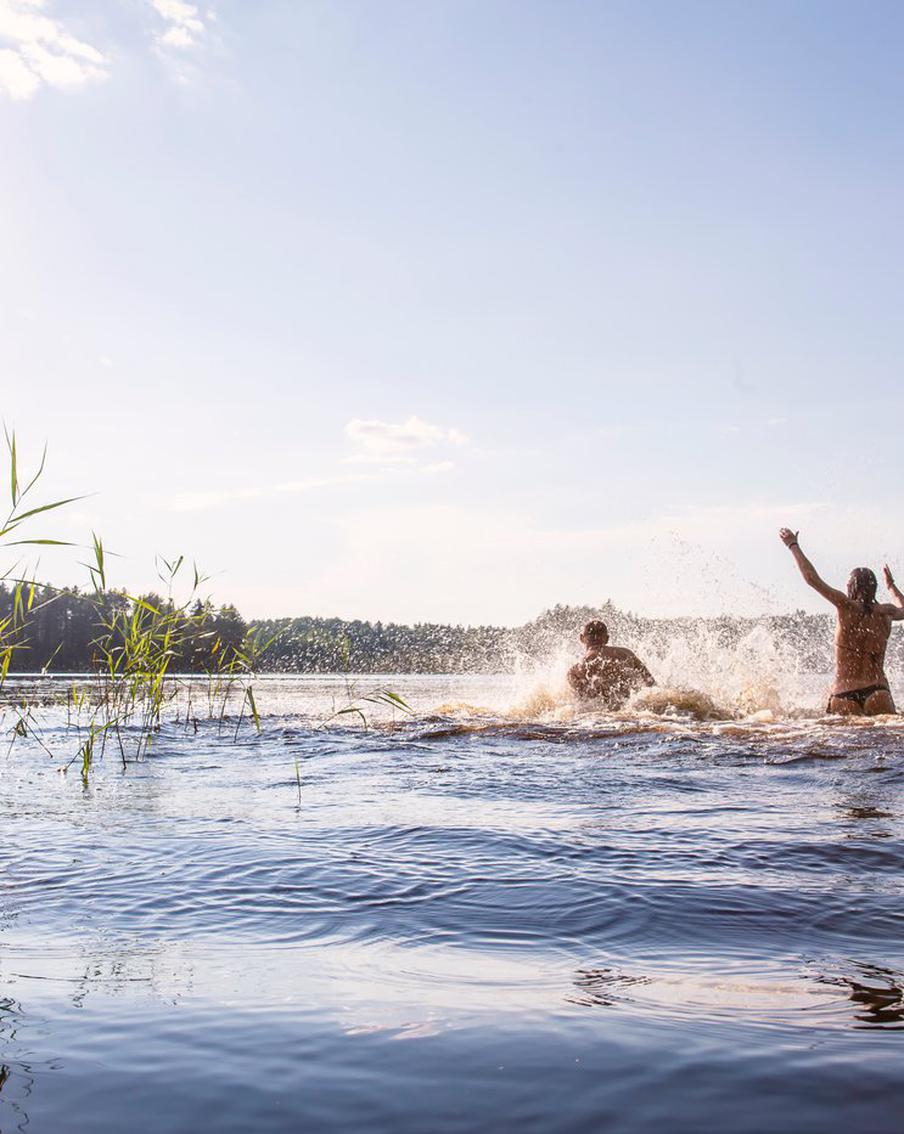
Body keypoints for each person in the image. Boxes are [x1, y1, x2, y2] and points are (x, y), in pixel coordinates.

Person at [779, 528, 904, 715]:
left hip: (844, 693)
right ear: (874, 588)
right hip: (878, 691)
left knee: (841, 733)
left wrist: (793, 545)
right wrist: (891, 586)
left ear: (850, 587)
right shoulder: (886, 612)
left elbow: (812, 579)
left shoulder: (846, 606)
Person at [567, 620, 655, 708]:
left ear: (581, 638)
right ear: (607, 639)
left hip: (601, 714)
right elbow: (651, 683)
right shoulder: (627, 654)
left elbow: (583, 700)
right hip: (632, 708)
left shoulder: (575, 670)